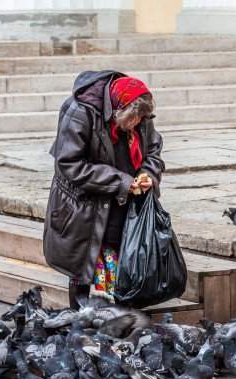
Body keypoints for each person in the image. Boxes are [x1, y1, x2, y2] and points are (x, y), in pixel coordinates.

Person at [43, 70, 165, 309]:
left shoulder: (138, 110)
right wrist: (122, 181)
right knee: (82, 265)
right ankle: (79, 324)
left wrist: (148, 175)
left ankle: (121, 324)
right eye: (132, 119)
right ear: (117, 111)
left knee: (124, 265)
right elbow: (69, 164)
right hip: (82, 206)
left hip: (123, 204)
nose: (137, 124)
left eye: (140, 119)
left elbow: (153, 150)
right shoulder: (80, 111)